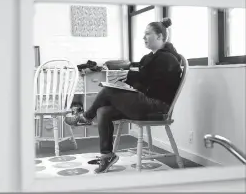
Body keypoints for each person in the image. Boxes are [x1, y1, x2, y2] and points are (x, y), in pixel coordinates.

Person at [65, 17, 183, 174]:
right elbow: (144, 83)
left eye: (148, 34)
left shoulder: (168, 58)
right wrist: (127, 81)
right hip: (145, 103)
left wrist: (129, 77)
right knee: (103, 111)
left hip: (157, 106)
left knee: (108, 91)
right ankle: (107, 155)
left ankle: (86, 117)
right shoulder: (150, 58)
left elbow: (152, 84)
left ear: (160, 36)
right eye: (144, 34)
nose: (144, 37)